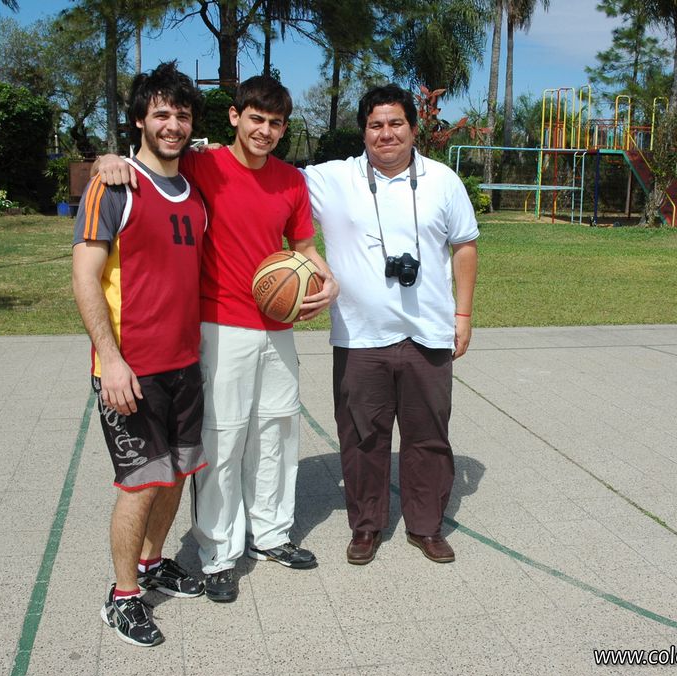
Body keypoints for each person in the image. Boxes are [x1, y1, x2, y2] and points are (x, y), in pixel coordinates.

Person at [93, 75, 338, 603]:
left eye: (275, 123)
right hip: (221, 324)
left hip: (278, 327)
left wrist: (328, 280)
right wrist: (105, 159)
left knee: (276, 433)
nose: (265, 131)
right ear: (235, 117)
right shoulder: (202, 165)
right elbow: (147, 159)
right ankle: (219, 552)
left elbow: (302, 246)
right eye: (256, 119)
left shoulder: (291, 181)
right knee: (223, 440)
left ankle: (270, 533)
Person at [301, 84, 479, 565]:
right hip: (359, 335)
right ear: (363, 132)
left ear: (414, 128)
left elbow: (465, 246)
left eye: (396, 123)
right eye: (375, 125)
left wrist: (463, 315)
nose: (386, 133)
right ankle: (366, 526)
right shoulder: (331, 178)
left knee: (428, 436)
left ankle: (426, 526)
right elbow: (262, 177)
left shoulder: (443, 180)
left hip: (428, 333)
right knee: (362, 436)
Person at [72, 62, 207, 647]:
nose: (172, 124)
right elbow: (84, 276)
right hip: (131, 369)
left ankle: (152, 564)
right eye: (161, 114)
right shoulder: (114, 186)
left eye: (182, 114)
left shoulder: (195, 192)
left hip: (185, 364)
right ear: (139, 121)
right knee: (141, 483)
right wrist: (111, 359)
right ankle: (122, 597)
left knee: (175, 475)